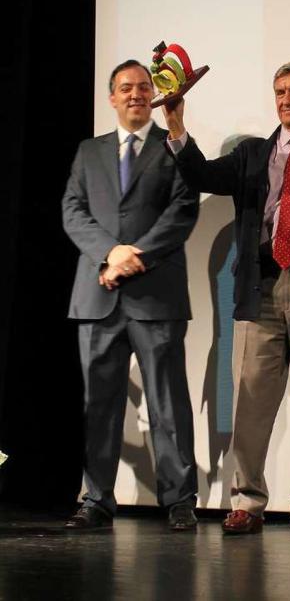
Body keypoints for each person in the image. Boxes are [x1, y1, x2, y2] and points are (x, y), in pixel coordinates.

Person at [164, 61, 290, 536]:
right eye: (280, 91)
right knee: (251, 400)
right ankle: (247, 499)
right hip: (260, 283)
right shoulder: (253, 155)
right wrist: (176, 123)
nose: (287, 100)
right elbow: (197, 173)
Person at [62, 60, 200, 531]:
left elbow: (183, 209)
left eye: (143, 87)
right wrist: (110, 254)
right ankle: (97, 499)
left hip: (154, 293)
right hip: (97, 295)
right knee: (98, 405)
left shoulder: (174, 148)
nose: (136, 94)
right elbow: (72, 211)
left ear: (154, 95)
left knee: (167, 402)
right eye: (126, 88)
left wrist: (135, 254)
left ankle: (179, 499)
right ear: (112, 98)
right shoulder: (89, 151)